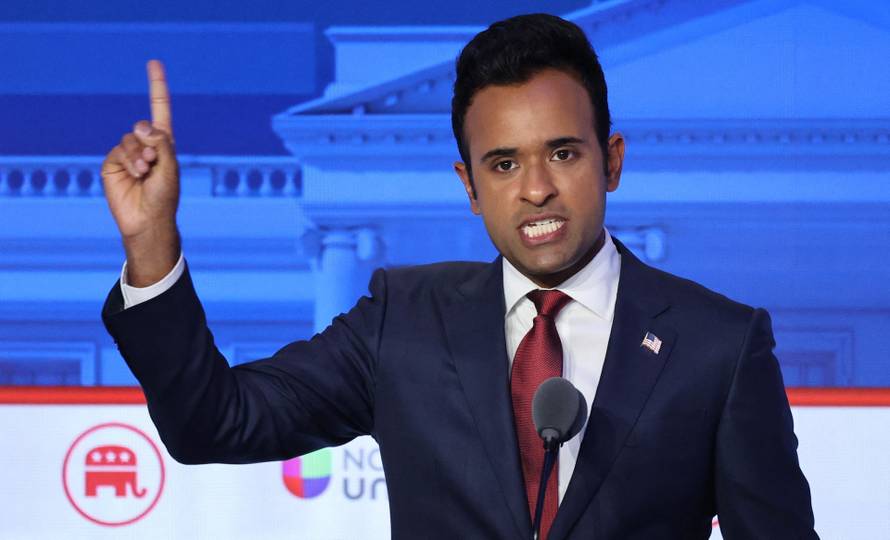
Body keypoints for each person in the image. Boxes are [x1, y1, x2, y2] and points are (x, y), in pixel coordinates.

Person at [100, 13, 817, 540]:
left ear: (613, 160)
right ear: (469, 186)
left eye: (563, 153)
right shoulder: (402, 320)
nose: (535, 188)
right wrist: (152, 245)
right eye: (503, 164)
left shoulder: (718, 345)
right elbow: (209, 423)